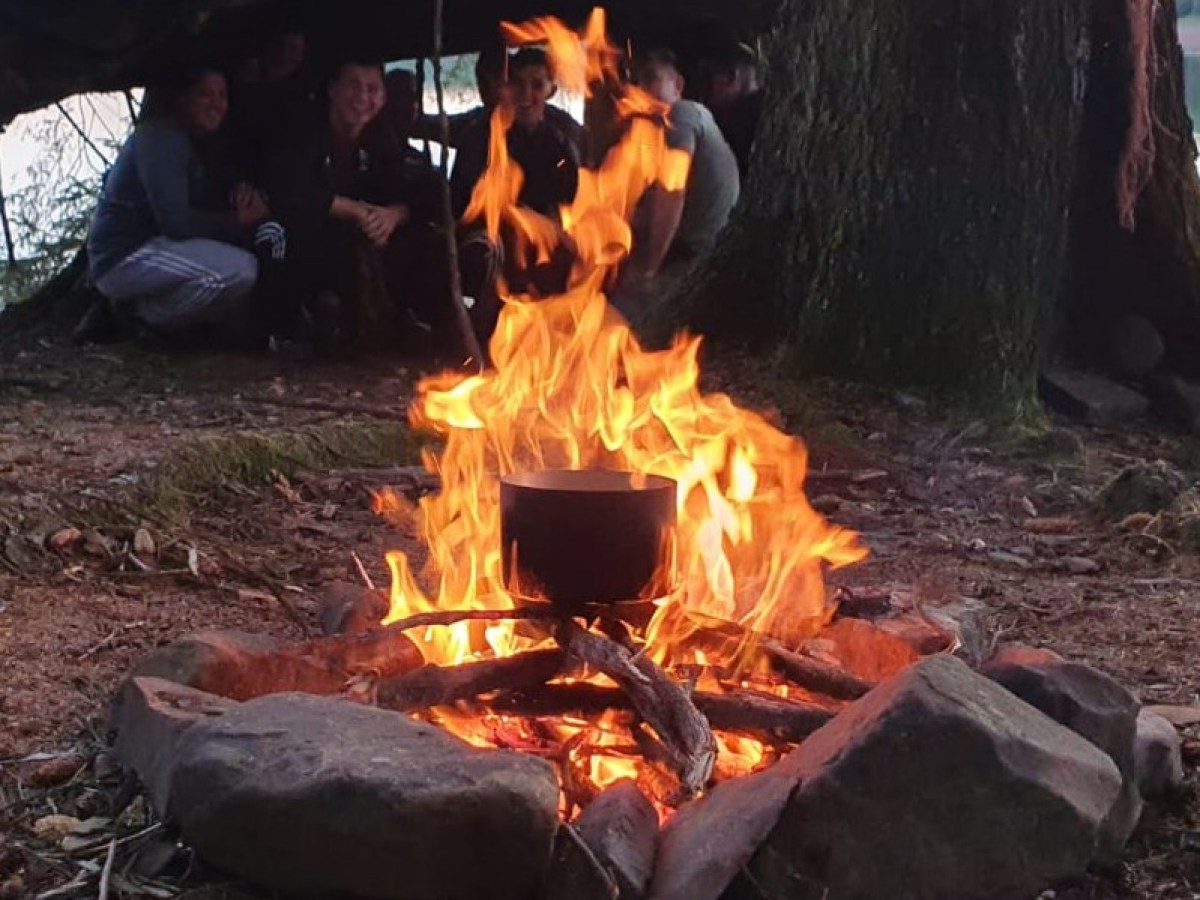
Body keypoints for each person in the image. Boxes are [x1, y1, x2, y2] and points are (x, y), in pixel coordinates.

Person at [266, 58, 450, 354]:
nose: (362, 98)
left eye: (372, 89)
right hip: (311, 234)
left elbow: (419, 192)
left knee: (426, 241)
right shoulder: (305, 129)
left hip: (366, 236)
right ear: (333, 90)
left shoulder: (382, 135)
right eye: (354, 86)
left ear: (383, 98)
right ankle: (295, 326)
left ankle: (412, 323)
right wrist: (356, 211)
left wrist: (394, 215)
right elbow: (291, 190)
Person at [86, 65, 274, 344]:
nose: (216, 104)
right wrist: (237, 221)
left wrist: (241, 195)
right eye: (205, 94)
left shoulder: (194, 140)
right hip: (123, 254)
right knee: (239, 269)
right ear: (182, 99)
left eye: (222, 95)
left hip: (153, 248)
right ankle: (143, 317)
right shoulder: (162, 138)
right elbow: (176, 224)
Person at [624, 49, 740, 290]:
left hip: (699, 258)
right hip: (697, 252)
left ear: (677, 85)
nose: (640, 90)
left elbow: (672, 192)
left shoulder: (682, 114)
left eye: (650, 78)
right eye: (636, 82)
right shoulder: (655, 136)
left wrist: (649, 269)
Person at [703, 42, 763, 177]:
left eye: (710, 81)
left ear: (730, 77)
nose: (707, 95)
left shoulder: (729, 129)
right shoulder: (767, 116)